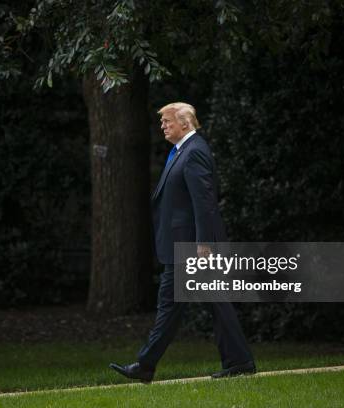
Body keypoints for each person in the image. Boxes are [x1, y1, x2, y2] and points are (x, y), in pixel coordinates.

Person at [109, 102, 255, 383]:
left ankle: (146, 365)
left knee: (174, 305)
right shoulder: (182, 152)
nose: (163, 126)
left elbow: (204, 204)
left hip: (190, 247)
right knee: (209, 302)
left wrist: (203, 245)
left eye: (167, 121)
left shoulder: (194, 152)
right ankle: (239, 361)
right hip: (184, 244)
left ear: (185, 123)